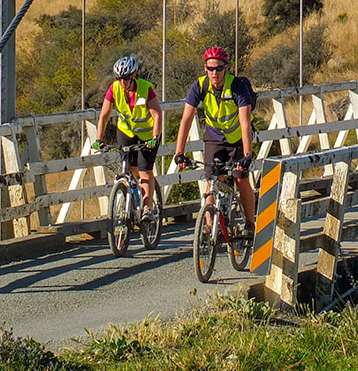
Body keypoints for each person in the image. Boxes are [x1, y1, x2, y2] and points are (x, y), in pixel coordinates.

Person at [173, 46, 256, 238]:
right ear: (205, 68)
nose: (214, 73)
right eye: (210, 69)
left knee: (240, 177)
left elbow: (245, 122)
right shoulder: (200, 86)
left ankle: (250, 223)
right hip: (214, 137)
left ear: (225, 68)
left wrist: (247, 154)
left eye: (219, 68)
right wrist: (179, 153)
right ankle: (210, 226)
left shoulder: (237, 86)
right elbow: (186, 119)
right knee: (211, 180)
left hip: (237, 139)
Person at [93, 56, 163, 219]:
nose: (122, 82)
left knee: (145, 170)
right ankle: (128, 202)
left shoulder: (146, 89)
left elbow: (157, 113)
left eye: (125, 78)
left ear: (133, 76)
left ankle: (147, 208)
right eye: (119, 78)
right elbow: (104, 114)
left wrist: (155, 136)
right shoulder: (114, 88)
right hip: (125, 132)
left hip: (147, 135)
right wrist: (99, 139)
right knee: (128, 169)